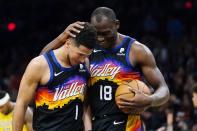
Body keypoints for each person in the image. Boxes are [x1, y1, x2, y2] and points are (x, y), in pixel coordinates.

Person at [41, 7, 170, 131]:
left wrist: (149, 100)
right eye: (97, 33)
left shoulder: (136, 50)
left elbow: (164, 89)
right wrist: (61, 37)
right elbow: (41, 63)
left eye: (105, 33)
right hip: (94, 123)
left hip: (126, 123)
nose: (100, 38)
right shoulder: (87, 48)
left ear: (117, 24)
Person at [13, 22, 97, 131]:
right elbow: (21, 104)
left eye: (87, 55)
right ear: (68, 43)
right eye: (80, 54)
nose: (82, 59)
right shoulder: (40, 65)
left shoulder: (84, 63)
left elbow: (84, 105)